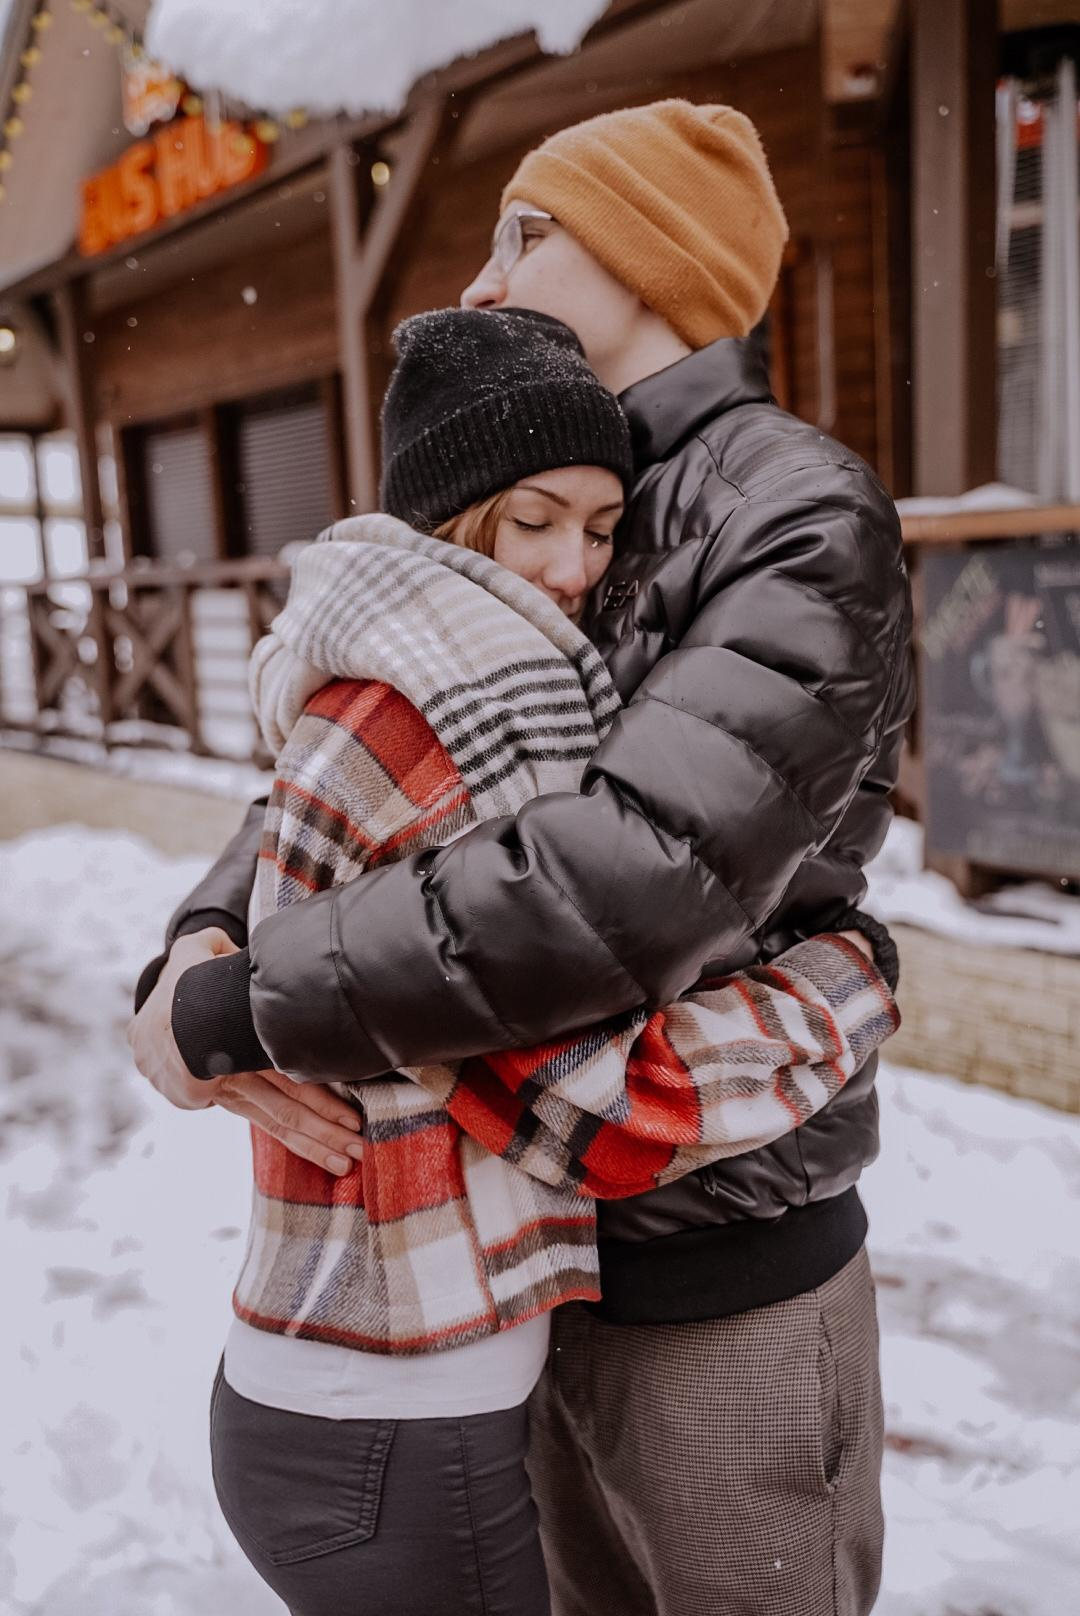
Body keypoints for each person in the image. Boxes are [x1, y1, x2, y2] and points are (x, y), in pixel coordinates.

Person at [131, 101, 913, 1616]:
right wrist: (201, 938)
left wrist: (254, 1001)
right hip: (521, 1258)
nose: (486, 283)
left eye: (527, 232)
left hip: (721, 1271)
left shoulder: (791, 509)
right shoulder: (534, 489)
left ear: (649, 251)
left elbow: (619, 881)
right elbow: (361, 744)